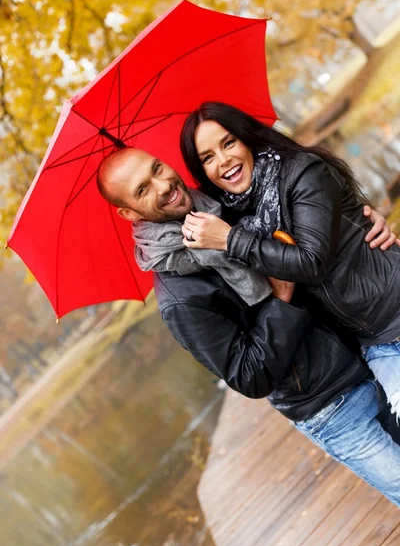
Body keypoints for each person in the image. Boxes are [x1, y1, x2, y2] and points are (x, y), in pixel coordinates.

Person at [96, 147, 400, 506]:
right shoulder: (179, 298)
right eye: (142, 190)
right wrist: (281, 300)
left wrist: (366, 225)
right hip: (331, 406)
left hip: (368, 348)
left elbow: (313, 248)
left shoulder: (230, 205)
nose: (163, 185)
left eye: (157, 169)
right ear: (128, 213)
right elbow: (248, 375)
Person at [179, 101, 400, 419]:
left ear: (246, 138)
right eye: (208, 158)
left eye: (228, 143)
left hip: (392, 310)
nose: (223, 161)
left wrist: (229, 240)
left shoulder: (302, 171)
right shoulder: (232, 215)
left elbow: (312, 263)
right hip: (369, 343)